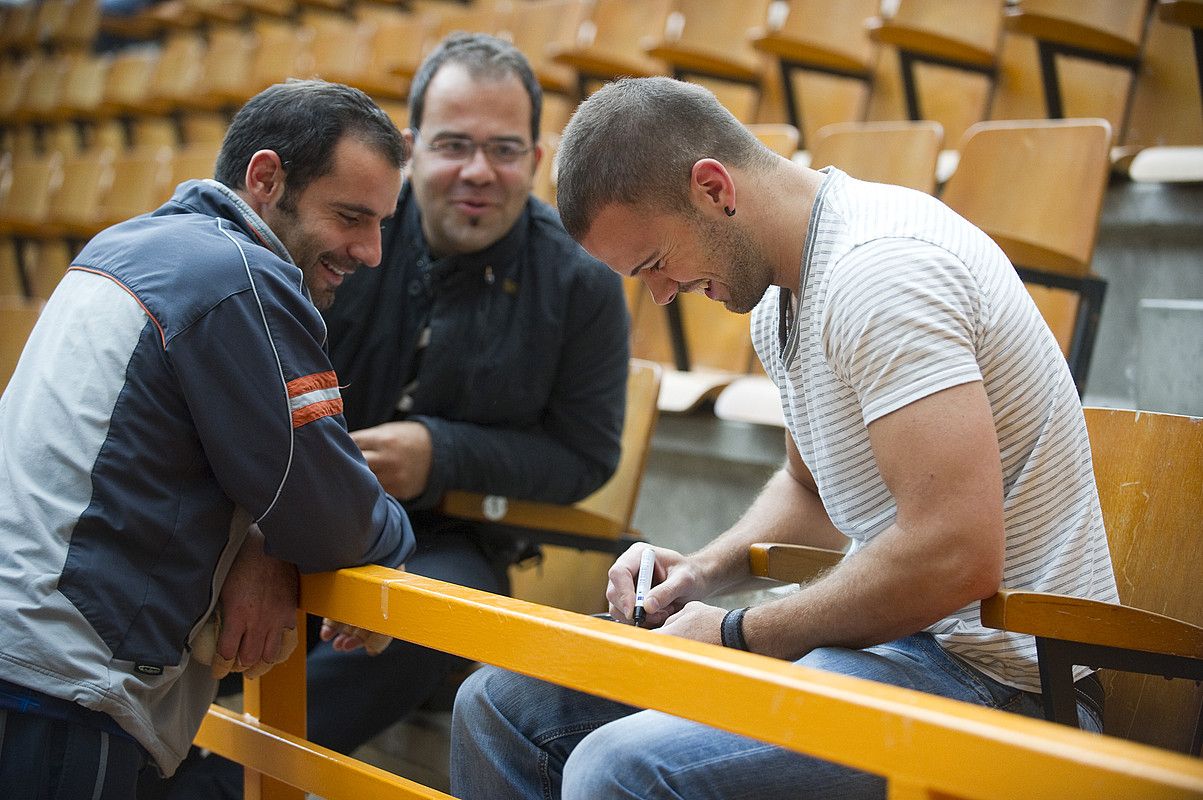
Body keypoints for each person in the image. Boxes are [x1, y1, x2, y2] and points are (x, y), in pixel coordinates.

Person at [450, 76, 1119, 800]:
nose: (663, 294)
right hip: (892, 646)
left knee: (620, 771)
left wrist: (736, 633)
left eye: (652, 264)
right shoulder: (782, 296)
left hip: (1003, 685)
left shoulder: (880, 271)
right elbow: (813, 493)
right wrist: (700, 575)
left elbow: (954, 556)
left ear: (712, 188)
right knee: (498, 707)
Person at [163, 33, 629, 798]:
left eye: (504, 149)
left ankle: (221, 784)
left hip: (452, 531)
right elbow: (241, 395)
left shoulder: (579, 282)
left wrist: (440, 451)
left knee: (416, 615)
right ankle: (155, 748)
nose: (479, 172)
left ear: (537, 158)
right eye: (453, 145)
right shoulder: (342, 230)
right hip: (289, 497)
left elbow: (584, 456)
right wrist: (257, 529)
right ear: (411, 148)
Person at [0, 79, 416, 798]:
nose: (370, 251)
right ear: (265, 179)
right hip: (62, 691)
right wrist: (396, 544)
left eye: (380, 223)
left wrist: (265, 539)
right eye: (350, 216)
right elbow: (333, 518)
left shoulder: (127, 243)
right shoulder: (239, 276)